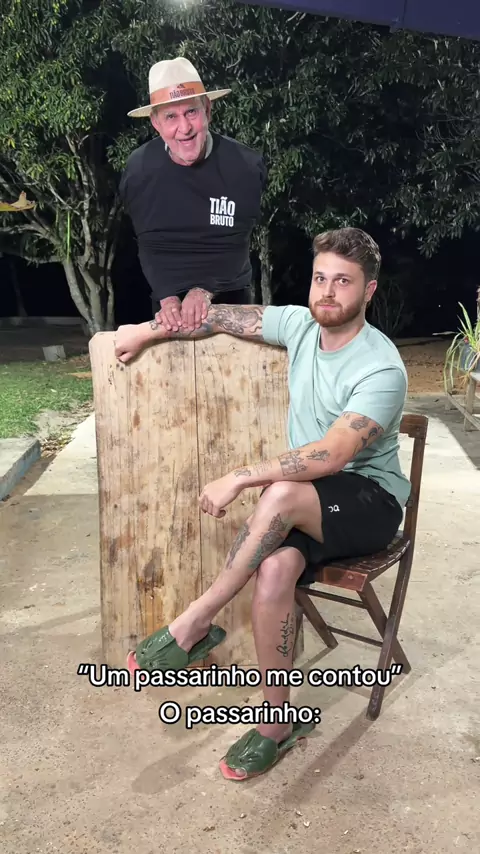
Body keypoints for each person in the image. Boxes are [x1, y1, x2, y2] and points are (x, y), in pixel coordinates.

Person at [114, 227, 410, 780]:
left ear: (369, 290)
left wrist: (237, 478)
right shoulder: (300, 326)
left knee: (279, 492)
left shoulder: (381, 367)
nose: (327, 291)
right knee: (274, 571)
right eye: (320, 278)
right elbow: (218, 317)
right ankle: (277, 723)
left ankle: (195, 621)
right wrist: (145, 331)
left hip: (369, 501)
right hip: (309, 501)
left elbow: (332, 454)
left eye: (343, 281)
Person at [119, 56, 267, 333]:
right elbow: (148, 242)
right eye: (170, 117)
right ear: (155, 123)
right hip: (168, 298)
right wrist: (166, 295)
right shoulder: (139, 170)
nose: (184, 128)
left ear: (207, 110)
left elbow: (237, 242)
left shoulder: (245, 166)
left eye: (191, 112)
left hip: (230, 291)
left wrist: (204, 290)